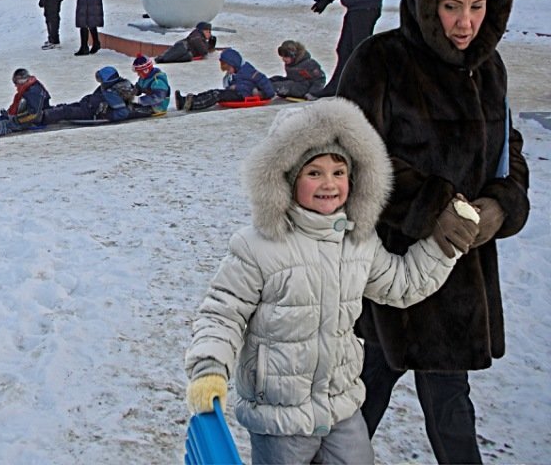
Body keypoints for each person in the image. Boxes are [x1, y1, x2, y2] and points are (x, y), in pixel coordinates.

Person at [184, 98, 480, 465]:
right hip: (280, 418)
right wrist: (209, 368)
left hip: (342, 406)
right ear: (287, 178)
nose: (329, 184)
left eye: (339, 172)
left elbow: (402, 284)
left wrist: (441, 246)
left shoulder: (359, 241)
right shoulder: (257, 247)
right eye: (314, 173)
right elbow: (222, 313)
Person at [337, 0, 531, 464]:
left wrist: (499, 207)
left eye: (476, 7)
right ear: (426, 3)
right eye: (451, 7)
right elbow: (346, 156)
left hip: (458, 279)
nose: (465, 23)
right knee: (362, 398)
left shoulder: (489, 70)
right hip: (388, 271)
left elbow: (508, 154)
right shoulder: (380, 61)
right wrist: (429, 206)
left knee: (450, 406)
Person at [175, 47, 275, 111]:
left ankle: (192, 104)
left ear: (234, 64)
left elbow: (263, 80)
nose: (228, 71)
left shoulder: (249, 71)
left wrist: (265, 95)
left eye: (228, 68)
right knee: (214, 92)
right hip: (237, 93)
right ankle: (186, 100)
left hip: (243, 95)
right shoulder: (237, 71)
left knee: (216, 95)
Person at [43, 66, 144, 125]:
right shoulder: (110, 86)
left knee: (65, 111)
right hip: (88, 105)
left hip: (91, 112)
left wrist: (107, 115)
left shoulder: (112, 92)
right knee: (66, 107)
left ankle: (42, 117)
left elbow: (122, 112)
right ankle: (46, 111)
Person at [0, 68, 52, 135]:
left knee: (2, 125)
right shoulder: (26, 89)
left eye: (16, 82)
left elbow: (33, 114)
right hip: (19, 117)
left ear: (21, 80)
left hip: (30, 122)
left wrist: (15, 119)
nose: (15, 85)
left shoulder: (33, 91)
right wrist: (8, 115)